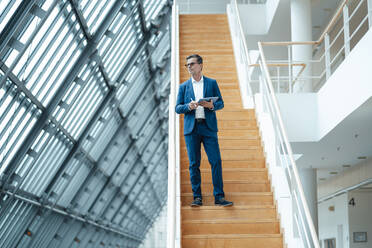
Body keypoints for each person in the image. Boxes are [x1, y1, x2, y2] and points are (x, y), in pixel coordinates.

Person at [175, 54, 233, 207]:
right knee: (194, 164)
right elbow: (177, 108)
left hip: (209, 128)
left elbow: (221, 103)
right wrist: (189, 107)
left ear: (200, 65)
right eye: (187, 65)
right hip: (191, 129)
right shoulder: (183, 87)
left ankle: (219, 197)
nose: (189, 67)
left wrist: (211, 106)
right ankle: (197, 197)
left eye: (192, 64)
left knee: (216, 161)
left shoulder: (212, 83)